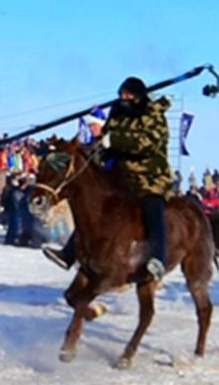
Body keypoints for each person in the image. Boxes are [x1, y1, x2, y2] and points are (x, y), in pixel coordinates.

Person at [42, 77, 173, 281]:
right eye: (121, 94)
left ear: (139, 96)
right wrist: (95, 150)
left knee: (152, 208)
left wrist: (114, 141)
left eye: (128, 95)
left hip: (150, 176)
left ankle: (158, 258)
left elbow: (147, 144)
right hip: (120, 174)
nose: (123, 98)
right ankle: (69, 253)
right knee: (94, 205)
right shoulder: (117, 112)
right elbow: (107, 137)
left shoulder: (153, 115)